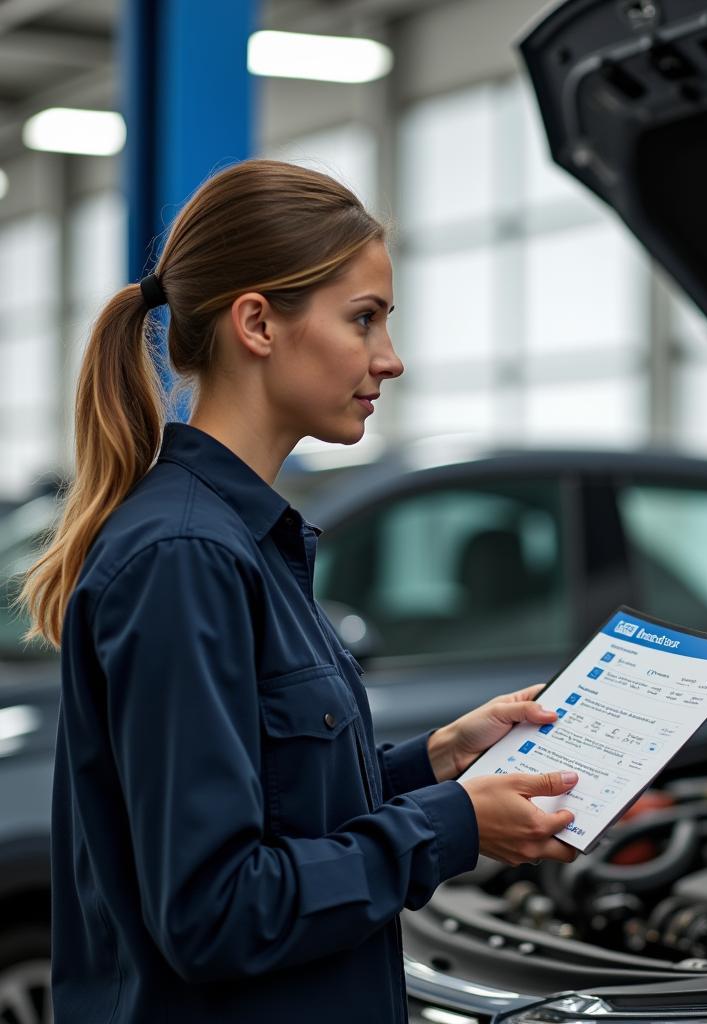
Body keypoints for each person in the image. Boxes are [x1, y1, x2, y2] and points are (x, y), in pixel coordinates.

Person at [19, 159, 580, 1023]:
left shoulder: (239, 541)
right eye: (364, 320)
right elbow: (215, 911)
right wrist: (451, 825)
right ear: (257, 324)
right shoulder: (185, 558)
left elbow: (279, 806)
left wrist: (436, 761)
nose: (389, 360)